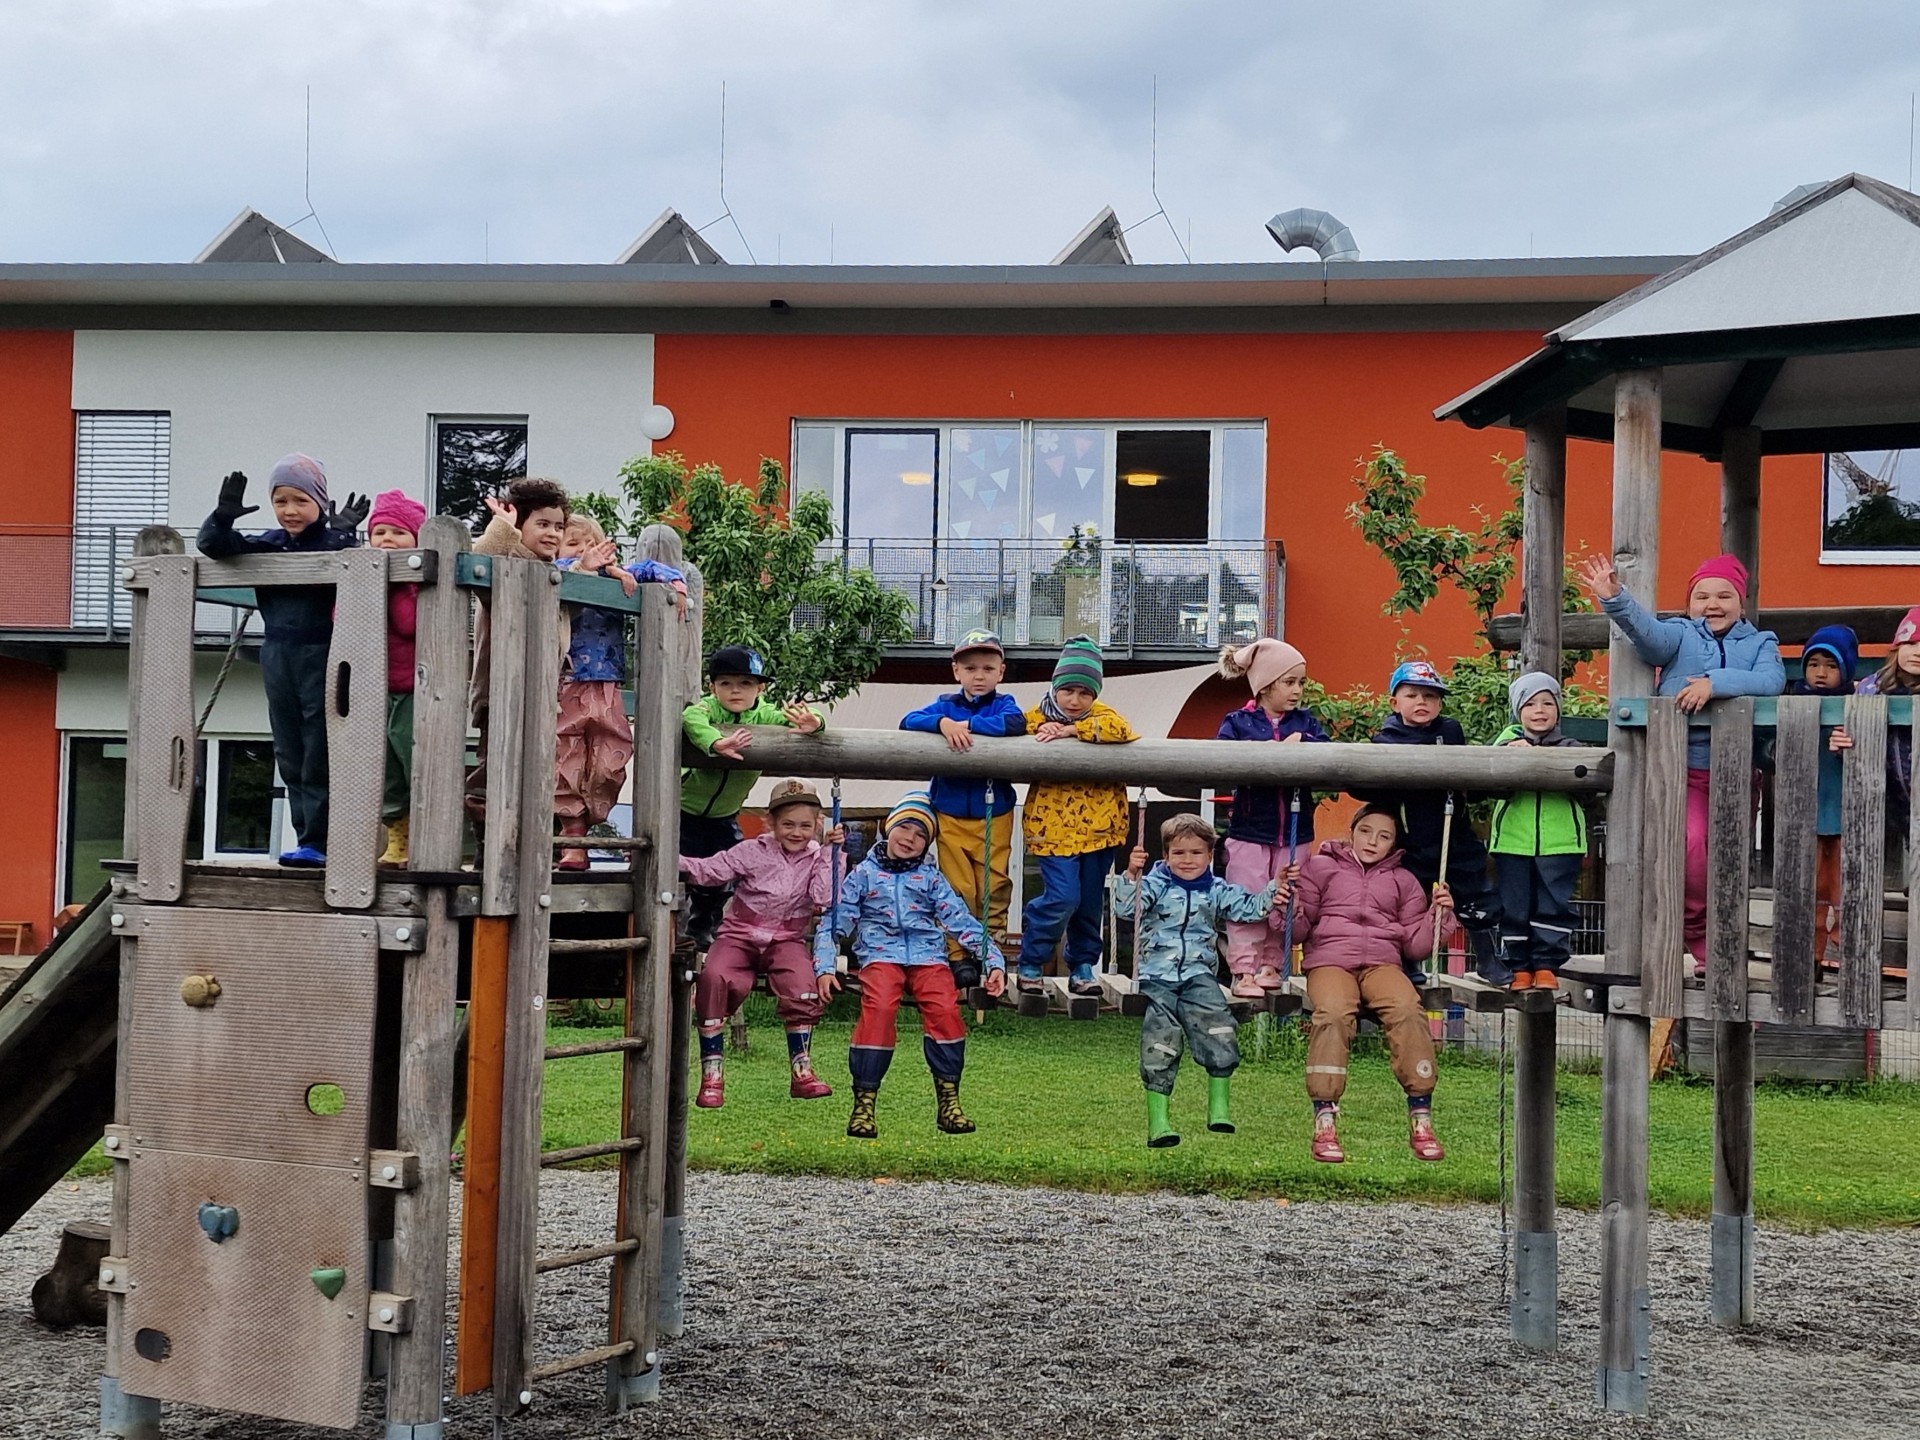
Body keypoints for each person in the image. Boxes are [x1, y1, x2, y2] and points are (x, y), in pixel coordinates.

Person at [1580, 552, 1784, 970]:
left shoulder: (1761, 643)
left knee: (1726, 856)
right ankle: (1695, 932)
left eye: (1724, 595)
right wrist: (1616, 597)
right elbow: (1647, 635)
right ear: (1689, 604)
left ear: (1741, 603)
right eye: (1702, 596)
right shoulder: (1679, 635)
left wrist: (1714, 684)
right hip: (1683, 769)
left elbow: (1770, 682)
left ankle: (1721, 942)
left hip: (1736, 771)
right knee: (1691, 848)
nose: (1713, 604)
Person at [197, 455, 367, 866]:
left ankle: (324, 840)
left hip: (322, 651)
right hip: (278, 653)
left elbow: (348, 559)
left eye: (300, 501)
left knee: (319, 747)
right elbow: (215, 547)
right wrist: (222, 517)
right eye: (281, 501)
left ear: (320, 503)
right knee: (289, 750)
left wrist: (339, 532)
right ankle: (306, 838)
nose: (290, 511)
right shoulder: (270, 544)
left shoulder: (336, 541)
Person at [813, 793, 1007, 1139]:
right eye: (904, 827)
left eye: (921, 835)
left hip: (927, 955)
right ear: (889, 827)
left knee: (945, 1008)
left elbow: (961, 921)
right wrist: (825, 965)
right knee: (880, 1006)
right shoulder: (863, 875)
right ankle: (864, 1103)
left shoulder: (931, 879)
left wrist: (993, 960)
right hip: (879, 954)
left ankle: (949, 1101)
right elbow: (836, 921)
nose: (910, 839)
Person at [1289, 805, 1452, 1164]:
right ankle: (1325, 1119)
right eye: (1366, 831)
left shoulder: (1403, 881)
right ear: (1352, 831)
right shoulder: (1321, 868)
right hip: (1330, 961)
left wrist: (1439, 916)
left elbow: (1416, 946)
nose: (1372, 841)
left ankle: (1421, 1116)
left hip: (1382, 963)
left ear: (1394, 844)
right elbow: (1298, 931)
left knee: (1408, 1008)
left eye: (1384, 836)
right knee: (1332, 1013)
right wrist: (1288, 904)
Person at [1113, 814, 1276, 1148]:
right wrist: (1131, 874)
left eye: (1196, 853)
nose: (1187, 860)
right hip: (1156, 978)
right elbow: (1127, 909)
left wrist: (1276, 890)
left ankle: (1219, 1109)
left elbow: (1249, 909)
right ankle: (1158, 1123)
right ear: (1167, 854)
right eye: (1179, 853)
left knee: (1220, 1026)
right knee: (1161, 1041)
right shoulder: (1155, 883)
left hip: (1198, 976)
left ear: (1210, 855)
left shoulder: (1215, 890)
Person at [680, 779, 843, 1109]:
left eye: (805, 826)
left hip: (786, 939)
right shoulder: (753, 851)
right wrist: (674, 860)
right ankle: (712, 1075)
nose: (796, 832)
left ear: (817, 825)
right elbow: (710, 870)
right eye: (787, 824)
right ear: (771, 822)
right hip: (739, 936)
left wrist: (829, 853)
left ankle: (802, 1072)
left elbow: (824, 897)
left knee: (803, 986)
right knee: (714, 977)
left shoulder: (820, 855)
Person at [1355, 660, 1504, 982]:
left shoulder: (1450, 731)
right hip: (1412, 839)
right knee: (1410, 903)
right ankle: (1409, 963)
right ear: (1395, 703)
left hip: (1455, 832)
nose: (1422, 703)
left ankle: (1488, 958)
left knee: (1476, 892)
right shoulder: (1386, 742)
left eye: (1430, 696)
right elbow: (1367, 787)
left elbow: (1468, 774)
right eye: (1412, 695)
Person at [552, 514, 687, 870]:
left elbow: (648, 568)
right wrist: (586, 565)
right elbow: (562, 570)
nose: (582, 550)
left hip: (607, 683)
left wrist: (678, 585)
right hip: (568, 681)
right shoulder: (560, 572)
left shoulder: (615, 574)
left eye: (590, 543)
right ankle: (573, 838)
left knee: (610, 757)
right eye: (573, 543)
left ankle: (593, 814)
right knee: (566, 757)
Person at [900, 630, 1028, 982]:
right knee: (958, 888)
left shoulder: (1005, 705)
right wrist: (942, 724)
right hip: (951, 814)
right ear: (956, 671)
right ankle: (959, 954)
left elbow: (1016, 725)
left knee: (993, 885)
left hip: (994, 813)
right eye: (970, 668)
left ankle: (992, 950)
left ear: (1001, 672)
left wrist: (968, 725)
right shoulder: (944, 706)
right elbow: (908, 721)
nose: (979, 675)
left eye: (988, 668)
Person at [1017, 636, 1139, 998]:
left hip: (1100, 828)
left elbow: (1123, 731)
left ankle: (1083, 963)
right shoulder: (1034, 717)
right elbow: (1007, 727)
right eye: (1067, 691)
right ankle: (1032, 959)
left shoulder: (1103, 718)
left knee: (1088, 901)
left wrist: (1072, 731)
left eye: (1085, 693)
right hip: (1052, 828)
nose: (1074, 700)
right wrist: (1040, 731)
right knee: (1063, 896)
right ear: (1054, 688)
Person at [681, 646, 824, 949]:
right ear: (712, 687)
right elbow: (691, 718)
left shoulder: (765, 714)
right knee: (677, 868)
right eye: (726, 683)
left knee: (725, 874)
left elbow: (801, 718)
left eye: (745, 684)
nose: (735, 690)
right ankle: (674, 924)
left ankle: (704, 923)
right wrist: (715, 742)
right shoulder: (707, 709)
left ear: (760, 688)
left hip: (725, 814)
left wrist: (814, 723)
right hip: (684, 809)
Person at [1215, 637, 1329, 997]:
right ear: (1264, 685)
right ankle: (1243, 970)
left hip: (1295, 832)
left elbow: (1327, 751)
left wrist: (1303, 747)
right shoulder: (1238, 723)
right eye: (1289, 682)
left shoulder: (1306, 723)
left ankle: (1272, 964)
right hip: (1249, 830)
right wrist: (1269, 752)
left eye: (1301, 683)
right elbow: (1223, 756)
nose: (1297, 691)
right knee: (1247, 897)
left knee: (1287, 898)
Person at [464, 477, 575, 838]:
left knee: (536, 772)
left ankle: (520, 841)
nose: (553, 534)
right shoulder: (506, 564)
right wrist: (502, 526)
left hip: (542, 696)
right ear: (520, 526)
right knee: (495, 768)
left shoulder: (554, 576)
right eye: (542, 524)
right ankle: (486, 839)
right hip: (500, 693)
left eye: (559, 526)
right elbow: (478, 561)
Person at [1489, 672, 1590, 992]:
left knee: (1554, 903)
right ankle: (1519, 965)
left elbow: (1589, 783)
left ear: (1558, 710)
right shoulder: (1505, 744)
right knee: (1513, 903)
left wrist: (1547, 760)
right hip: (1512, 841)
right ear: (1518, 711)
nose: (1540, 710)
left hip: (1560, 841)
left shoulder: (1571, 747)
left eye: (1548, 702)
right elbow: (1489, 780)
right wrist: (1511, 750)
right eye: (1530, 704)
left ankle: (1547, 964)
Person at [364, 490, 426, 867]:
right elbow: (344, 617)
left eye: (398, 533)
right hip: (375, 689)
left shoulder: (414, 582)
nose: (387, 541)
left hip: (413, 688)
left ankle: (422, 836)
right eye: (379, 533)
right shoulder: (364, 579)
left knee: (412, 759)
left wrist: (397, 585)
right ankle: (397, 839)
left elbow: (410, 623)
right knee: (384, 768)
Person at [1794, 625, 1860, 964]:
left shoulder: (1857, 707)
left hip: (1846, 813)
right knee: (1810, 891)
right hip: (1806, 814)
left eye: (1831, 666)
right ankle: (1811, 959)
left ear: (1846, 670)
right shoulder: (1791, 703)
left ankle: (1844, 958)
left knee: (1844, 890)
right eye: (1813, 663)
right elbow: (1764, 749)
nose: (1820, 672)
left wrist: (1849, 746)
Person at [1853, 608, 1919, 845]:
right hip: (1889, 794)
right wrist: (1842, 741)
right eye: (1910, 642)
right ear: (1897, 647)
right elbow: (1855, 733)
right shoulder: (1872, 688)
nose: (1917, 651)